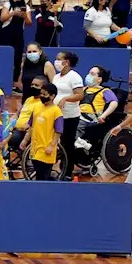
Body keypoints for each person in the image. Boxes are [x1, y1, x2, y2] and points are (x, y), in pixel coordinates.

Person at [52, 51, 84, 180]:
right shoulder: (56, 77)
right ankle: (57, 167)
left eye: (59, 59)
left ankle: (68, 171)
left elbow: (80, 95)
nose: (56, 62)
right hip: (57, 114)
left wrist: (65, 99)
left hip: (70, 116)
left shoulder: (74, 77)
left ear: (67, 62)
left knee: (67, 143)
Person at [21, 82, 63, 180]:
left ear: (52, 96)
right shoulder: (37, 107)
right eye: (41, 94)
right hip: (35, 148)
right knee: (38, 174)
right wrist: (25, 140)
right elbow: (30, 125)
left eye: (45, 94)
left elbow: (58, 131)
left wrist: (52, 146)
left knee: (44, 176)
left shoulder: (56, 112)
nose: (42, 96)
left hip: (47, 149)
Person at [0, 0, 32, 88]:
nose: (17, 0)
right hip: (5, 35)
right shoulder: (8, 5)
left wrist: (24, 16)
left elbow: (29, 22)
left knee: (17, 60)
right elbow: (2, 18)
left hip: (18, 36)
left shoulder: (26, 7)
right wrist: (13, 13)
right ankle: (0, 80)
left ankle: (14, 83)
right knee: (3, 58)